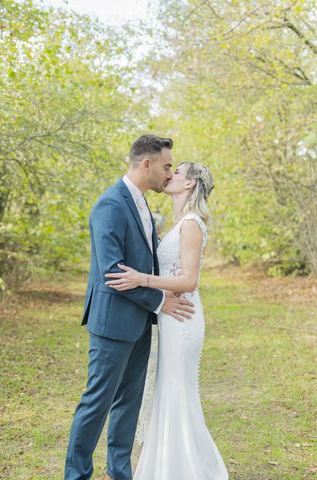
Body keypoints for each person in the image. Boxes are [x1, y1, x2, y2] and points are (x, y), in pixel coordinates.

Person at [64, 135, 195, 480]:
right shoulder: (111, 204)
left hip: (140, 323)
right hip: (112, 322)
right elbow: (112, 272)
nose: (169, 173)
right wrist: (160, 301)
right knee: (97, 403)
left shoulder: (142, 204)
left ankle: (119, 473)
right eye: (167, 166)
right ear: (146, 164)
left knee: (128, 404)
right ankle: (76, 474)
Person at [105, 161, 228, 479]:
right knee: (167, 390)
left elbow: (189, 280)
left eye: (177, 172)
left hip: (184, 319)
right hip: (171, 318)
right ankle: (168, 465)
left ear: (189, 184)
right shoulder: (178, 223)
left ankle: (190, 468)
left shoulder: (190, 224)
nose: (169, 175)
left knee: (178, 391)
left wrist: (141, 279)